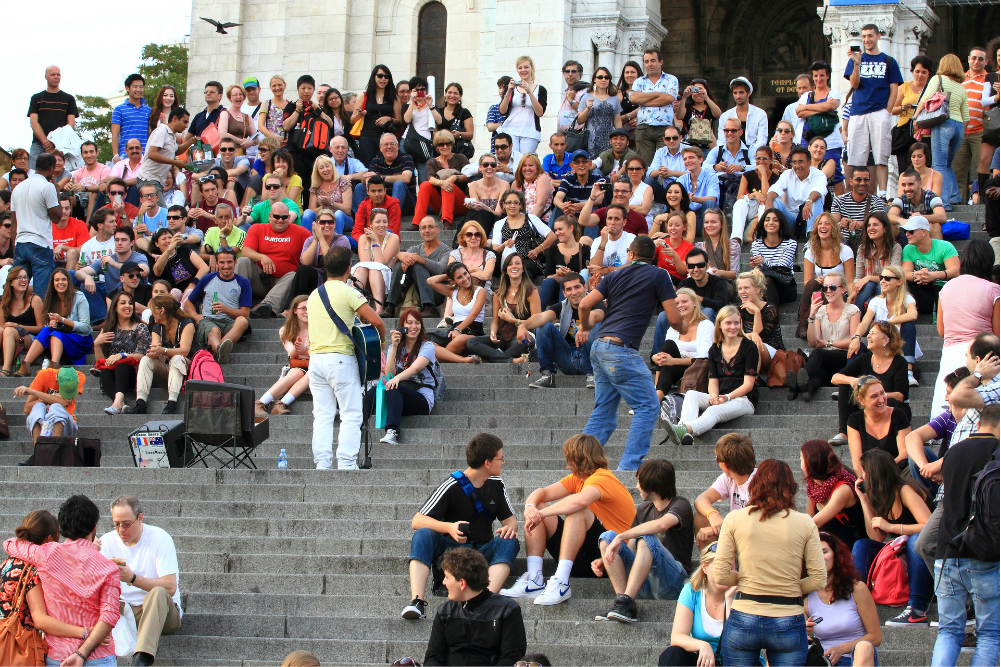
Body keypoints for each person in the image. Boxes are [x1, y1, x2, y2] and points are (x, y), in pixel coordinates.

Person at [580, 235, 683, 469]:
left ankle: (581, 464)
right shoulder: (659, 274)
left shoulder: (614, 275)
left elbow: (584, 304)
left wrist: (584, 326)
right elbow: (674, 319)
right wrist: (685, 328)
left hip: (599, 347)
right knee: (648, 406)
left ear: (631, 254)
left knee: (604, 411)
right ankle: (628, 467)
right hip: (620, 350)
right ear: (653, 257)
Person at [713, 458, 827, 665]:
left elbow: (720, 575)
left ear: (755, 484)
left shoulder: (734, 519)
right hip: (788, 616)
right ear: (790, 487)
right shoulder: (805, 523)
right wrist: (788, 586)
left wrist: (747, 579)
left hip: (745, 614)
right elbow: (819, 579)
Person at [502, 434, 636, 606]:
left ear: (574, 459)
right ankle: (534, 579)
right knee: (539, 506)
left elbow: (580, 501)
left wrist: (540, 515)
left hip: (610, 559)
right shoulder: (579, 479)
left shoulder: (603, 478)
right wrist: (530, 507)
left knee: (578, 511)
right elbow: (542, 493)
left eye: (568, 458)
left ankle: (561, 582)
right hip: (585, 557)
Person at [402, 433, 519, 619]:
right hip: (454, 554)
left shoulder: (496, 484)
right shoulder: (453, 484)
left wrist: (509, 528)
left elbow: (510, 521)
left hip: (482, 554)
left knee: (510, 540)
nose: (503, 462)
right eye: (501, 458)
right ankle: (417, 601)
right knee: (423, 535)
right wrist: (449, 527)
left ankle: (483, 601)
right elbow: (417, 520)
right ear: (487, 463)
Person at [3, 495, 120, 666]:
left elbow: (10, 543)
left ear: (62, 527)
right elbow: (109, 616)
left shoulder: (46, 554)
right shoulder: (109, 568)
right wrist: (81, 654)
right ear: (94, 527)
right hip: (99, 656)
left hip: (58, 656)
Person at [931, 403, 1000, 666]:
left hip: (946, 551)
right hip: (983, 552)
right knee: (989, 634)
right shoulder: (997, 453)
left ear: (979, 424)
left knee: (948, 631)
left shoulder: (954, 451)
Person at [308, 245, 385, 470]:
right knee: (351, 413)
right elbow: (376, 321)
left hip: (316, 361)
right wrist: (380, 343)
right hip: (340, 359)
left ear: (326, 268)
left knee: (322, 415)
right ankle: (346, 464)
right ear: (349, 269)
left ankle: (322, 464)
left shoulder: (314, 295)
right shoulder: (348, 291)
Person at [594, 459, 694, 622]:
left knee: (647, 538)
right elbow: (631, 549)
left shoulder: (681, 504)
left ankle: (626, 602)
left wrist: (621, 536)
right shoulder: (643, 509)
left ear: (652, 484)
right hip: (645, 583)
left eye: (639, 482)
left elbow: (662, 524)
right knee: (607, 537)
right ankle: (622, 603)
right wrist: (610, 557)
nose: (637, 486)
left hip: (674, 582)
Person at [852, 449, 933, 626]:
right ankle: (855, 603)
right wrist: (864, 500)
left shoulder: (905, 490)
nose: (862, 477)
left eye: (864, 472)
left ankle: (916, 609)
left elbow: (929, 525)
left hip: (926, 551)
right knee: (862, 545)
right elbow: (876, 536)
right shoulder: (879, 496)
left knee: (915, 540)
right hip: (900, 551)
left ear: (874, 474)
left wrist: (891, 527)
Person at [98, 496, 182, 667]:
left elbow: (170, 586)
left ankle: (141, 659)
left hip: (162, 611)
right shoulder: (106, 541)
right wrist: (87, 553)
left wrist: (133, 579)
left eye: (126, 524)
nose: (121, 530)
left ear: (140, 518)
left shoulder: (160, 538)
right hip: (125, 609)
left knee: (158, 592)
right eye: (116, 524)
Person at [0, 511, 97, 655]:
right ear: (49, 538)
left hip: (5, 640)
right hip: (21, 649)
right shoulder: (32, 571)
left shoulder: (6, 564)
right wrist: (84, 632)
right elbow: (40, 620)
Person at [666, 305, 759, 447]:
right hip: (722, 396)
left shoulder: (749, 347)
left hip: (744, 399)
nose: (733, 327)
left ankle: (685, 430)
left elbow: (748, 384)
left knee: (713, 410)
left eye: (736, 323)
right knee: (691, 394)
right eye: (728, 323)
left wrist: (727, 397)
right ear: (720, 324)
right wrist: (714, 395)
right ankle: (684, 433)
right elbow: (713, 380)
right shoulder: (715, 349)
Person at [931, 239, 999, 418]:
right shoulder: (994, 289)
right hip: (982, 357)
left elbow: (942, 331)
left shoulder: (946, 288)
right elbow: (997, 334)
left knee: (945, 413)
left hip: (950, 355)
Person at [424, 548, 527, 666]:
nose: (443, 582)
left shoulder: (507, 610)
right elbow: (433, 657)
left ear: (462, 583)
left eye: (447, 577)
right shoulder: (445, 611)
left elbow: (511, 658)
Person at [804, 532, 882, 666]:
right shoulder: (806, 596)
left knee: (864, 647)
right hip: (824, 661)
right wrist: (802, 631)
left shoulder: (857, 589)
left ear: (836, 556)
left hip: (854, 659)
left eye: (824, 552)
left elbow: (876, 637)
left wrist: (842, 648)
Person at [844, 24, 903, 197]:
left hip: (879, 111)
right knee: (856, 157)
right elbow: (854, 84)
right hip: (858, 111)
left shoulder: (889, 61)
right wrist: (856, 63)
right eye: (863, 36)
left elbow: (894, 90)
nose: (866, 40)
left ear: (878, 36)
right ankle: (857, 194)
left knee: (881, 156)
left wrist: (887, 112)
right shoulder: (856, 59)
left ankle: (883, 194)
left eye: (870, 36)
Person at [831, 320, 910, 447]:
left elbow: (900, 396)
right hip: (869, 407)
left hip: (891, 408)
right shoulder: (865, 358)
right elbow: (835, 377)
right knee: (846, 384)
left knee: (890, 401)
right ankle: (844, 433)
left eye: (873, 333)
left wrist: (877, 396)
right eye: (869, 333)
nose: (868, 336)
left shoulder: (900, 362)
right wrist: (852, 381)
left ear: (886, 340)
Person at [520, 272, 602, 388]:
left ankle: (593, 374)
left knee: (595, 324)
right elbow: (541, 317)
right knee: (543, 326)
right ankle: (547, 375)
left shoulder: (596, 304)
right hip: (567, 358)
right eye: (569, 289)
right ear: (564, 293)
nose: (574, 292)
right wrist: (523, 326)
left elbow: (596, 315)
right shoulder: (562, 306)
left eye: (577, 287)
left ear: (585, 287)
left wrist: (585, 326)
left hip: (589, 358)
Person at [378, 309, 443, 445]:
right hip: (400, 395)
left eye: (417, 323)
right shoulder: (395, 348)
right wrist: (394, 347)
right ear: (402, 326)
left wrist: (396, 379)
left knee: (394, 387)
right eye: (409, 323)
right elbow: (389, 374)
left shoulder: (428, 346)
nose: (414, 326)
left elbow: (415, 368)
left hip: (422, 398)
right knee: (374, 391)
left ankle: (392, 431)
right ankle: (357, 424)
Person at [236, 202, 312, 319]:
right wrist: (261, 257)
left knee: (294, 275)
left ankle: (265, 307)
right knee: (243, 261)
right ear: (270, 216)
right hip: (260, 280)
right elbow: (245, 251)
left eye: (284, 217)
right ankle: (233, 301)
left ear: (289, 217)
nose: (280, 220)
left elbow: (313, 254)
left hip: (284, 283)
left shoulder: (302, 232)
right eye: (276, 216)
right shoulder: (257, 228)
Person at [914, 54, 970, 209]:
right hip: (959, 127)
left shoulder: (938, 79)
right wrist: (959, 129)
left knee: (939, 165)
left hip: (943, 124)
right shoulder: (961, 87)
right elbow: (966, 117)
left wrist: (915, 117)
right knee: (948, 165)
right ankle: (955, 197)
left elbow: (925, 98)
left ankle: (943, 203)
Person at [795, 273, 861, 402]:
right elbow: (813, 342)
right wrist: (812, 316)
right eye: (825, 288)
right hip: (826, 360)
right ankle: (807, 389)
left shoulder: (853, 310)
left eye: (833, 287)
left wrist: (828, 343)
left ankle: (798, 382)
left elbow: (854, 341)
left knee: (818, 353)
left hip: (845, 357)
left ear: (843, 290)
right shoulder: (821, 311)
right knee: (821, 371)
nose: (828, 291)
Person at [125, 295, 195, 415]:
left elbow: (185, 351)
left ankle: (172, 402)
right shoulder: (157, 328)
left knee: (177, 358)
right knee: (146, 360)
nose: (151, 313)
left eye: (153, 310)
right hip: (169, 370)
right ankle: (141, 402)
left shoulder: (187, 324)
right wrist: (154, 353)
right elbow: (156, 349)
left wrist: (163, 350)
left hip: (188, 371)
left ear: (161, 310)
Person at [850, 263, 919, 382]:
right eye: (881, 278)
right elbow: (864, 323)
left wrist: (888, 323)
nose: (882, 281)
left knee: (909, 325)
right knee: (857, 346)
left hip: (898, 347)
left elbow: (913, 315)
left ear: (899, 282)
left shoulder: (907, 299)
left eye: (887, 278)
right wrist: (856, 337)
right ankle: (850, 380)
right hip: (880, 346)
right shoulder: (876, 301)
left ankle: (908, 371)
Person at [466, 254, 539, 364]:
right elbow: (495, 322)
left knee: (528, 342)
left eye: (517, 263)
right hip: (501, 337)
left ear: (523, 268)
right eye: (510, 264)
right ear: (505, 270)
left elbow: (536, 322)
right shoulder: (498, 293)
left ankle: (492, 358)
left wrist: (512, 320)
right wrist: (493, 332)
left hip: (519, 337)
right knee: (471, 342)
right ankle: (510, 360)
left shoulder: (531, 292)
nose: (514, 266)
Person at [183, 247, 251, 363]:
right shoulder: (207, 279)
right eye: (222, 262)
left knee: (242, 321)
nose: (226, 266)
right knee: (215, 331)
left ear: (235, 262)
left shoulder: (243, 282)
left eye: (229, 262)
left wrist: (225, 309)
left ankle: (217, 351)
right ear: (216, 263)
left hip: (230, 323)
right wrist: (195, 315)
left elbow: (245, 314)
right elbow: (188, 303)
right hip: (209, 320)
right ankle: (220, 350)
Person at [20, 268, 93, 373]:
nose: (60, 283)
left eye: (63, 279)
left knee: (56, 334)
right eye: (57, 280)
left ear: (68, 281)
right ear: (53, 283)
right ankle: (26, 364)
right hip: (59, 338)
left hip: (80, 339)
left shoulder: (79, 297)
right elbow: (47, 324)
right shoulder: (51, 299)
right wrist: (51, 324)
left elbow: (85, 327)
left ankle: (53, 365)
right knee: (46, 330)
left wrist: (62, 320)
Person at [692, 434, 757, 549]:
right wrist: (712, 514)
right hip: (737, 532)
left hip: (755, 537)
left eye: (717, 458)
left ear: (725, 465)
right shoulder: (728, 478)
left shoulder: (759, 482)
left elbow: (754, 523)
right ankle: (714, 559)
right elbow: (700, 500)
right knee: (701, 517)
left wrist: (721, 528)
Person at [797, 213, 856, 338]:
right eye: (820, 223)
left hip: (838, 291)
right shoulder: (811, 251)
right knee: (813, 283)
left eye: (827, 223)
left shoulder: (845, 251)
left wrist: (852, 297)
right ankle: (803, 324)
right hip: (818, 291)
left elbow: (850, 281)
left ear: (833, 228)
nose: (823, 226)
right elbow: (806, 282)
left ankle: (805, 323)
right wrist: (818, 281)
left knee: (828, 288)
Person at [75, 227, 149, 325]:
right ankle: (101, 320)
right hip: (111, 298)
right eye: (117, 240)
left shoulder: (138, 257)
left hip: (136, 297)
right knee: (81, 282)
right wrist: (87, 277)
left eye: (123, 240)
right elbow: (78, 273)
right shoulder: (108, 259)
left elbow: (143, 271)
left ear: (132, 243)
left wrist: (114, 264)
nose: (119, 243)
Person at [801, 440, 866, 551]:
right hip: (826, 549)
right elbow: (809, 520)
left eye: (801, 460)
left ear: (810, 462)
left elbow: (813, 523)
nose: (801, 465)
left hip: (848, 551)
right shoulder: (813, 488)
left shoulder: (842, 490)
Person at [11, 152, 61, 296]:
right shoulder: (47, 187)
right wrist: (57, 191)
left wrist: (15, 248)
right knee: (41, 294)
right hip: (40, 244)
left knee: (17, 292)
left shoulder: (17, 188)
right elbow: (57, 218)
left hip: (20, 244)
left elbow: (14, 222)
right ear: (51, 167)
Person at [94, 292, 151, 415]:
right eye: (123, 303)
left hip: (134, 372)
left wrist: (122, 355)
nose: (127, 306)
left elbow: (144, 354)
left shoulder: (140, 327)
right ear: (115, 307)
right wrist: (96, 344)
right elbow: (101, 362)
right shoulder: (108, 328)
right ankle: (119, 402)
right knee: (104, 371)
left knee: (121, 366)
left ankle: (117, 403)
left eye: (130, 303)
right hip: (113, 374)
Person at [383, 216, 450, 319]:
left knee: (417, 264)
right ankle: (390, 306)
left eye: (430, 227)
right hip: (415, 291)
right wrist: (399, 255)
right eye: (423, 228)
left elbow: (440, 269)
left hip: (436, 292)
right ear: (420, 231)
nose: (427, 230)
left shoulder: (446, 250)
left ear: (438, 229)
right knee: (400, 263)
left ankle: (429, 307)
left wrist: (421, 259)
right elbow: (397, 267)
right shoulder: (415, 249)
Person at [846, 376, 912, 477]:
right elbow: (857, 460)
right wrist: (864, 481)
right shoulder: (854, 420)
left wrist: (881, 472)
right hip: (870, 476)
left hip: (897, 473)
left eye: (882, 393)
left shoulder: (898, 415)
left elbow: (904, 454)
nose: (881, 399)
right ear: (862, 400)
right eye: (874, 396)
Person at [255, 295, 311, 415]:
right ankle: (260, 404)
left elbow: (320, 352)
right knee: (297, 372)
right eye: (303, 308)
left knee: (312, 373)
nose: (307, 312)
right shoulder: (285, 330)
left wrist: (305, 350)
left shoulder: (318, 330)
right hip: (296, 366)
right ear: (295, 310)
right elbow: (292, 354)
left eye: (310, 308)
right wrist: (298, 349)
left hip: (315, 366)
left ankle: (281, 403)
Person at [281, 75, 334, 189]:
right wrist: (297, 110)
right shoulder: (291, 106)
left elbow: (330, 124)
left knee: (311, 186)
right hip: (295, 152)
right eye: (303, 88)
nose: (306, 91)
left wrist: (319, 111)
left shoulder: (316, 108)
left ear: (313, 90)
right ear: (298, 89)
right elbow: (286, 126)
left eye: (309, 88)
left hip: (314, 152)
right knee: (297, 184)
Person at [628, 49, 679, 167]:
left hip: (665, 128)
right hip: (644, 128)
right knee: (644, 165)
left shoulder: (671, 79)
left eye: (653, 61)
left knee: (665, 164)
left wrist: (644, 101)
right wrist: (657, 94)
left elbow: (669, 98)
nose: (649, 64)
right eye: (646, 61)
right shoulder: (639, 81)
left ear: (661, 62)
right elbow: (634, 98)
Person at [427, 262, 487, 359]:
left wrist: (458, 329)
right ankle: (456, 358)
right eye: (459, 277)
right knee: (426, 341)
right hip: (454, 331)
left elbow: (473, 314)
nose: (465, 278)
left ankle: (440, 357)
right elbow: (430, 281)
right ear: (453, 280)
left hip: (473, 331)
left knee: (459, 339)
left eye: (465, 273)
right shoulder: (452, 292)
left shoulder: (480, 291)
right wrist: (449, 275)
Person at [900, 215, 959, 314]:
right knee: (905, 282)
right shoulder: (908, 248)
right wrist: (917, 275)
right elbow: (906, 272)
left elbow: (955, 271)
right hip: (922, 288)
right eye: (905, 231)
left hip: (943, 288)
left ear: (924, 232)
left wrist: (934, 275)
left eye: (911, 231)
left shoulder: (945, 246)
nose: (907, 234)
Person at [16, 364, 85, 444]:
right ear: (56, 381)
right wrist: (51, 396)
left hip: (65, 423)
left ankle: (54, 447)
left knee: (56, 407)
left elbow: (64, 402)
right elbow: (27, 409)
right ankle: (38, 448)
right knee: (38, 406)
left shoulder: (78, 377)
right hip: (43, 422)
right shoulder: (44, 375)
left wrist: (34, 392)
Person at [765, 146, 826, 235]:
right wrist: (769, 201)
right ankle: (771, 236)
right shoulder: (787, 174)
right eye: (794, 162)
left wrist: (809, 201)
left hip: (809, 217)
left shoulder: (819, 175)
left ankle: (812, 236)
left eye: (800, 162)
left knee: (817, 199)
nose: (797, 166)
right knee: (773, 200)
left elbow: (819, 189)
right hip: (791, 218)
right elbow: (776, 188)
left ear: (809, 163)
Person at [27, 66, 78, 169]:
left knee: (63, 173)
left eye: (58, 74)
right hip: (39, 144)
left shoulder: (69, 99)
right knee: (33, 173)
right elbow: (33, 122)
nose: (56, 77)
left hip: (61, 146)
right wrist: (45, 141)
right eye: (52, 74)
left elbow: (71, 124)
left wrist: (54, 141)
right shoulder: (36, 98)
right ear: (46, 76)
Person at [415, 130, 469, 228]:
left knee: (448, 186)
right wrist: (441, 183)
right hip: (440, 203)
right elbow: (430, 178)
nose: (445, 147)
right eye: (441, 144)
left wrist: (455, 177)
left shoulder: (460, 158)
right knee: (425, 185)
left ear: (452, 144)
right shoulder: (432, 162)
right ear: (437, 146)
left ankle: (447, 221)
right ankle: (417, 222)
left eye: (448, 143)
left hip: (461, 202)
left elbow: (470, 176)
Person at [890, 56, 932, 181]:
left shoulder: (932, 88)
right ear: (912, 71)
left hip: (925, 133)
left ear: (929, 73)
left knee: (925, 168)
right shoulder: (904, 87)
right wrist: (903, 108)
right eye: (917, 71)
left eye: (924, 72)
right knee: (904, 168)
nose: (920, 75)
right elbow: (892, 109)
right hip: (905, 133)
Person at [735, 270, 785, 375]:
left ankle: (752, 379)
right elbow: (737, 337)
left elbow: (760, 338)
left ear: (757, 290)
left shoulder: (770, 309)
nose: (742, 292)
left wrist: (757, 312)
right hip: (748, 351)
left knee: (755, 345)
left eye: (746, 288)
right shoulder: (739, 310)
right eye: (740, 288)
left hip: (773, 354)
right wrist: (750, 335)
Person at [350, 66, 401, 167]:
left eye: (386, 77)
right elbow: (352, 120)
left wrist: (389, 119)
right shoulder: (364, 96)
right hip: (367, 137)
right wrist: (360, 115)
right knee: (367, 167)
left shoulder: (394, 97)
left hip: (385, 138)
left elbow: (399, 120)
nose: (383, 79)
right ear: (374, 77)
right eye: (380, 76)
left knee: (386, 167)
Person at [848, 212, 900, 308]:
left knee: (881, 284)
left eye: (875, 225)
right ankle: (858, 314)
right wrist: (853, 293)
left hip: (888, 289)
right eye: (868, 225)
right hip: (868, 290)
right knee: (869, 285)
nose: (871, 228)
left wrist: (869, 277)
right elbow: (859, 277)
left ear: (885, 228)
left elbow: (892, 276)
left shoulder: (895, 248)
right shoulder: (862, 249)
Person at [498, 56, 548, 154]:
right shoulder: (511, 88)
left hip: (530, 131)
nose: (523, 70)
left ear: (532, 68)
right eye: (520, 68)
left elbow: (540, 112)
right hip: (511, 129)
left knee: (526, 159)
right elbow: (502, 111)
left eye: (526, 67)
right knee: (512, 158)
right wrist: (508, 91)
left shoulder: (540, 89)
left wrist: (529, 92)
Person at [0, 267, 44, 376]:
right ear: (11, 282)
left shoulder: (35, 299)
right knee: (2, 331)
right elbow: (1, 326)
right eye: (19, 277)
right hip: (11, 336)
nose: (23, 280)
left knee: (9, 331)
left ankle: (6, 369)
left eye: (25, 277)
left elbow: (41, 328)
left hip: (32, 337)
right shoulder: (4, 301)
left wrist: (18, 326)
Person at [749, 210, 798, 305]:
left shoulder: (790, 243)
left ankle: (771, 312)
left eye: (775, 220)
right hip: (764, 284)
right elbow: (759, 270)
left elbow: (781, 267)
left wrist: (763, 261)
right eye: (767, 220)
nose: (771, 223)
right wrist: (756, 265)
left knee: (768, 279)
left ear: (781, 223)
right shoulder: (756, 244)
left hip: (785, 286)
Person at [833, 169, 887, 254]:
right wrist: (841, 224)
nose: (862, 183)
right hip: (843, 243)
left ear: (870, 181)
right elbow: (832, 224)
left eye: (866, 179)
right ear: (851, 181)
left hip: (868, 241)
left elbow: (881, 223)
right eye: (858, 179)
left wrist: (862, 224)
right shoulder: (839, 200)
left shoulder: (876, 201)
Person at [150, 229, 209, 303]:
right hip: (174, 296)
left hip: (194, 288)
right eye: (164, 239)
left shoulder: (183, 250)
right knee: (175, 292)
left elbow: (204, 268)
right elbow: (157, 271)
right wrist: (169, 250)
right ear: (156, 243)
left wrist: (193, 283)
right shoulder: (158, 260)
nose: (168, 241)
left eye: (170, 237)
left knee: (189, 292)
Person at [576, 67, 623, 158]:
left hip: (609, 138)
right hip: (591, 139)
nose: (603, 80)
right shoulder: (586, 97)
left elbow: (617, 121)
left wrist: (620, 138)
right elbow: (579, 120)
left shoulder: (614, 99)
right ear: (594, 79)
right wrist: (587, 109)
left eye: (606, 77)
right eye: (600, 77)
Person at [889, 170, 947, 242]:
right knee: (891, 225)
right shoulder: (901, 199)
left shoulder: (931, 197)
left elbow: (942, 216)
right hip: (907, 235)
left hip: (926, 236)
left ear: (920, 184)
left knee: (935, 225)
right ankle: (894, 249)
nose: (907, 188)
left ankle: (937, 250)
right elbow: (890, 215)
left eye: (910, 184)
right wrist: (902, 221)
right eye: (903, 185)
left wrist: (921, 218)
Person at [579, 179, 649, 238]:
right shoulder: (604, 212)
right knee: (585, 239)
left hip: (629, 249)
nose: (620, 194)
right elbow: (583, 221)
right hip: (604, 248)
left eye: (624, 191)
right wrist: (592, 196)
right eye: (616, 191)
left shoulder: (639, 218)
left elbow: (642, 244)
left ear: (631, 194)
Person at [715, 77, 769, 152]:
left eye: (741, 92)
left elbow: (762, 140)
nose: (738, 96)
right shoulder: (725, 116)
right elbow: (721, 141)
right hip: (730, 153)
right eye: (735, 93)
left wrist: (751, 153)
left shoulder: (760, 114)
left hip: (753, 153)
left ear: (748, 93)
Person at [552, 150, 601, 231]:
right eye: (577, 162)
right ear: (572, 165)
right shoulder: (567, 179)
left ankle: (588, 238)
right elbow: (557, 198)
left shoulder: (598, 178)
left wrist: (583, 205)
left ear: (590, 163)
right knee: (558, 208)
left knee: (592, 207)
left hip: (590, 218)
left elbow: (599, 199)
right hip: (573, 216)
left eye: (584, 161)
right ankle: (551, 236)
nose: (581, 164)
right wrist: (564, 206)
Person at [677, 246, 730, 321]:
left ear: (707, 265)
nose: (696, 269)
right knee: (664, 315)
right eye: (691, 266)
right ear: (687, 268)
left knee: (707, 311)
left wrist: (696, 297)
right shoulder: (684, 284)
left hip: (715, 320)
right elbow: (675, 303)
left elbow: (721, 305)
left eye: (700, 265)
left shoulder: (718, 282)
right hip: (689, 318)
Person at [588, 205, 638, 281]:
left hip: (625, 279)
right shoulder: (598, 241)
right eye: (610, 218)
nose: (612, 222)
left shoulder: (632, 239)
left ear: (624, 222)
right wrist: (603, 243)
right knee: (584, 273)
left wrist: (608, 270)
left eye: (617, 219)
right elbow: (593, 270)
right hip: (603, 282)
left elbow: (635, 265)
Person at [694, 208, 739, 289]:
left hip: (724, 284)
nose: (709, 225)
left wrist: (720, 273)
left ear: (721, 224)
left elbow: (734, 274)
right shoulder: (699, 246)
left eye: (713, 222)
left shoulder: (732, 245)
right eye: (706, 222)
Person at [675, 147, 719, 229]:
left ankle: (709, 233)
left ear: (700, 160)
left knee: (709, 203)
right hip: (687, 215)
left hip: (704, 215)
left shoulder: (711, 177)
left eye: (691, 157)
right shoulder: (681, 179)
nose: (687, 161)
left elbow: (712, 198)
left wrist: (693, 199)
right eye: (685, 159)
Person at [353, 174, 402, 245]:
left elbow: (393, 230)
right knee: (346, 240)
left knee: (390, 232)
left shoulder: (393, 204)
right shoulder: (363, 205)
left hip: (386, 242)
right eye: (373, 191)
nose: (377, 194)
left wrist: (375, 240)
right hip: (367, 240)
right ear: (367, 192)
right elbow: (357, 230)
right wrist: (367, 240)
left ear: (385, 190)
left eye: (380, 191)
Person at [677, 78, 723, 151]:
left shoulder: (710, 107)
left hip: (706, 146)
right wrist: (684, 97)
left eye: (700, 90)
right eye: (695, 90)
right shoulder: (686, 106)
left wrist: (706, 97)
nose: (698, 93)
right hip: (687, 146)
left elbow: (718, 114)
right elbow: (679, 116)